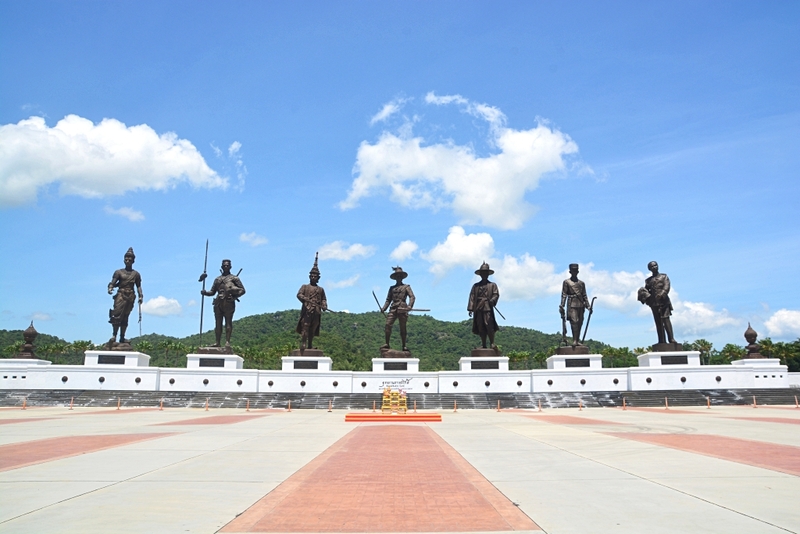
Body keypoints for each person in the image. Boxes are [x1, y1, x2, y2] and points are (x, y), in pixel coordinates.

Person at [201, 259, 245, 347]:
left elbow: (242, 290)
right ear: (221, 267)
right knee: (218, 323)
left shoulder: (234, 278)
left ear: (230, 267)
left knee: (228, 322)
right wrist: (205, 292)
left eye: (227, 265)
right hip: (218, 303)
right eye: (224, 265)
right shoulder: (217, 279)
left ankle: (227, 342)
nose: (226, 267)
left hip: (228, 302)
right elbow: (212, 292)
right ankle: (217, 342)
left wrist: (234, 297)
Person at [107, 247, 143, 345]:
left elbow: (138, 286)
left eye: (130, 258)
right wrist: (110, 287)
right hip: (121, 295)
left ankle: (122, 337)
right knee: (117, 315)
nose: (128, 260)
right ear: (124, 259)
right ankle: (114, 336)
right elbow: (113, 282)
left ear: (133, 260)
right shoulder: (118, 272)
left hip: (130, 296)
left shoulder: (136, 274)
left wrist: (140, 296)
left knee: (125, 317)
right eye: (126, 258)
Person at [638, 261, 677, 345]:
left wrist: (662, 294)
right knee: (658, 322)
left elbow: (667, 286)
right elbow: (646, 290)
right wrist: (644, 294)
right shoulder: (648, 280)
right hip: (654, 303)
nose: (654, 267)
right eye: (652, 266)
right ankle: (661, 340)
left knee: (666, 320)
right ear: (649, 269)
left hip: (664, 302)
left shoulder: (664, 276)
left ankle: (671, 339)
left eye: (655, 265)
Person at [295, 253, 327, 353]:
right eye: (312, 275)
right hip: (308, 310)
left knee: (313, 329)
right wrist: (305, 299)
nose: (313, 277)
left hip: (316, 312)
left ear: (318, 278)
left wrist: (324, 305)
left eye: (315, 276)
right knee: (305, 327)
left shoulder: (321, 289)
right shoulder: (305, 286)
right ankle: (304, 343)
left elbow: (323, 299)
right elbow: (299, 295)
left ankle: (310, 345)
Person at [380, 267, 415, 351]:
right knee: (388, 325)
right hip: (393, 309)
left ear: (402, 277)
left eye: (400, 275)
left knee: (403, 327)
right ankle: (387, 344)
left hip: (402, 308)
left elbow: (412, 297)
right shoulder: (392, 288)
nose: (398, 277)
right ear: (395, 277)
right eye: (397, 276)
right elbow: (388, 300)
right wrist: (384, 308)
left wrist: (410, 306)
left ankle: (404, 345)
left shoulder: (406, 287)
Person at [468, 262, 499, 350]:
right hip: (478, 308)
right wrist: (470, 308)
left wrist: (492, 300)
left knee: (489, 324)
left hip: (487, 307)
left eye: (486, 273)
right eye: (483, 273)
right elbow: (472, 296)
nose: (484, 274)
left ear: (488, 274)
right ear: (480, 274)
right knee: (480, 325)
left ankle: (492, 343)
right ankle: (483, 344)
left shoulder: (492, 285)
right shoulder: (476, 286)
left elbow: (496, 294)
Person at [559, 263, 591, 347]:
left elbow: (584, 295)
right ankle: (574, 340)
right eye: (573, 270)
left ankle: (577, 340)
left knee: (580, 322)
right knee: (574, 322)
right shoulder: (567, 282)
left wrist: (588, 306)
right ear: (570, 271)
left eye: (576, 270)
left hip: (581, 304)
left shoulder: (581, 283)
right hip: (572, 304)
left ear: (578, 271)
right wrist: (562, 305)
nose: (574, 272)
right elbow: (564, 294)